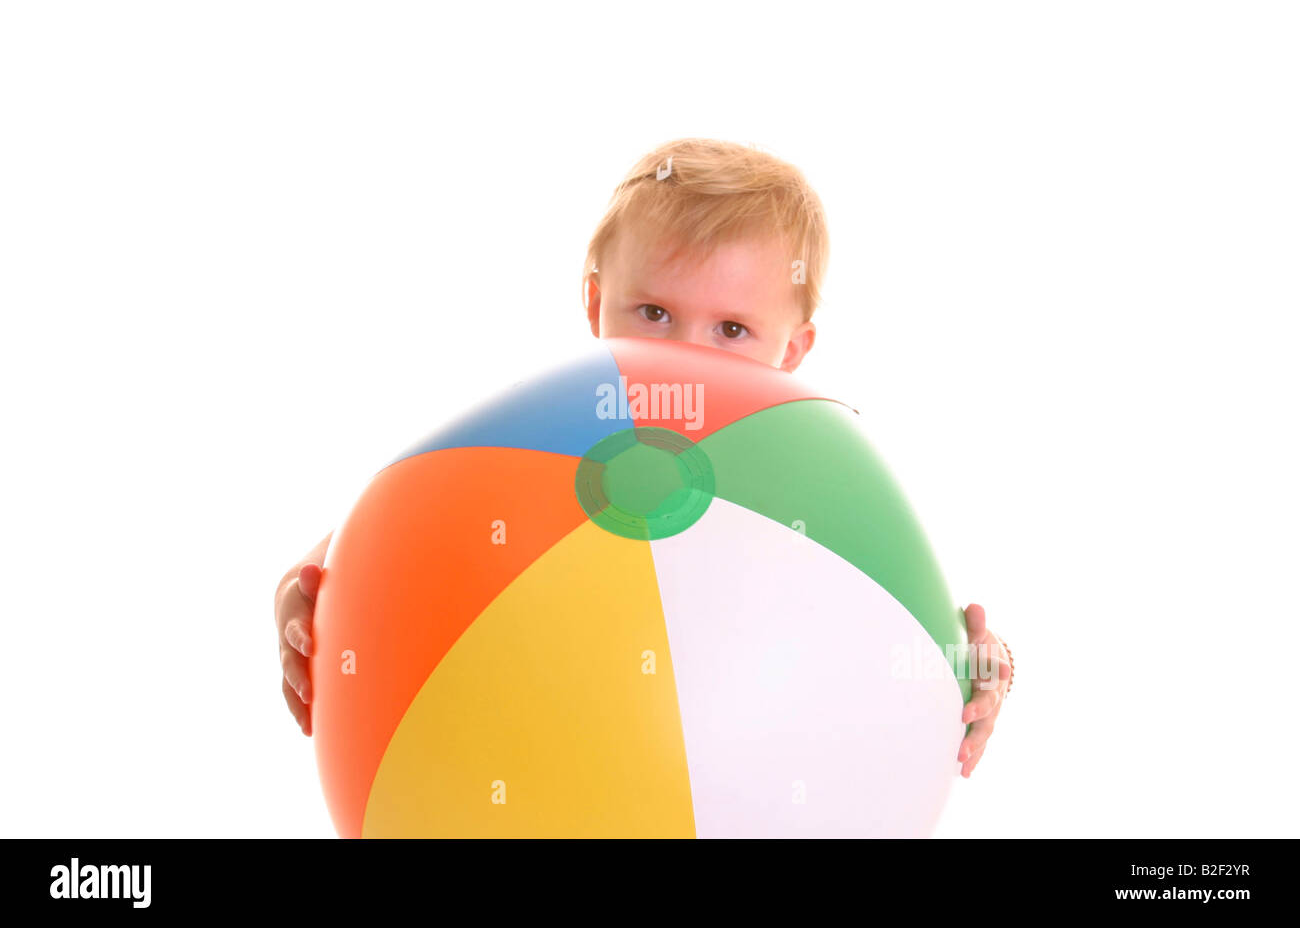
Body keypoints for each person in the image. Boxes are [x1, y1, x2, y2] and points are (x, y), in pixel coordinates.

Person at [273, 138, 1013, 779]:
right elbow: (417, 524)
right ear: (596, 305)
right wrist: (316, 587)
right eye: (654, 313)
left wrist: (973, 660)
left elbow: (889, 607)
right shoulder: (544, 438)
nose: (688, 358)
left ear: (792, 351)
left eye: (731, 328)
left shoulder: (811, 487)